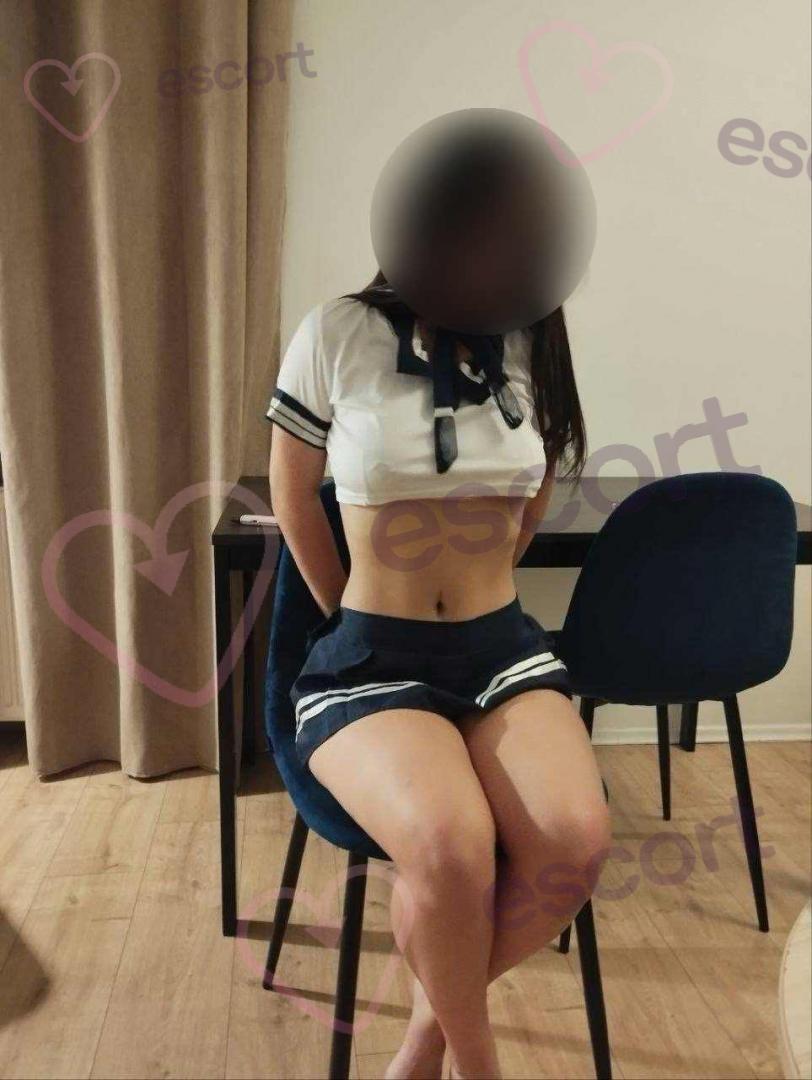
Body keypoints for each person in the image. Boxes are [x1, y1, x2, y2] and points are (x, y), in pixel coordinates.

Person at [266, 117, 609, 1080]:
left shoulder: (533, 337)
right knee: (452, 850)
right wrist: (349, 609)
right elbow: (291, 493)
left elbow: (536, 487)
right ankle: (480, 1066)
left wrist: (482, 575)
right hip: (374, 656)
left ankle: (424, 1042)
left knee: (575, 849)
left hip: (501, 650)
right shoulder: (338, 330)